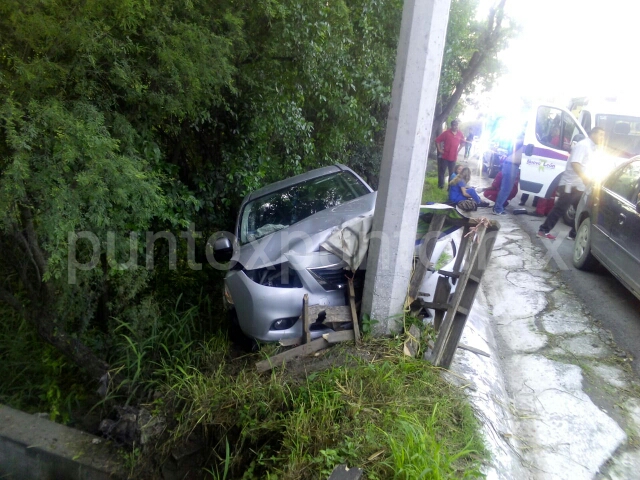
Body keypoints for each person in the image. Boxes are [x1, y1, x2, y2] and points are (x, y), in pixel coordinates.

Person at [537, 127, 605, 239]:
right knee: (560, 208)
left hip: (579, 186)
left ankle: (573, 234)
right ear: (593, 134)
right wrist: (585, 178)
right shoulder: (583, 145)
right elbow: (575, 163)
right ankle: (543, 230)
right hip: (570, 184)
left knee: (581, 210)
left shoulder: (593, 148)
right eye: (601, 134)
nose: (603, 138)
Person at [492, 134, 525, 216]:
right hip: (511, 166)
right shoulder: (520, 142)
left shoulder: (519, 144)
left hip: (511, 166)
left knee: (505, 189)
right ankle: (498, 209)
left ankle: (498, 207)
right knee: (505, 189)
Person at [435, 120, 465, 188]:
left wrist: (458, 150)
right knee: (442, 172)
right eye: (454, 125)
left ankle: (450, 188)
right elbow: (437, 140)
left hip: (453, 157)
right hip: (445, 156)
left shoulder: (460, 133)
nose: (455, 127)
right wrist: (439, 149)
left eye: (456, 125)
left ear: (458, 125)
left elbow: (463, 143)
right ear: (451, 126)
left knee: (452, 173)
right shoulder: (446, 133)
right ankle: (440, 186)